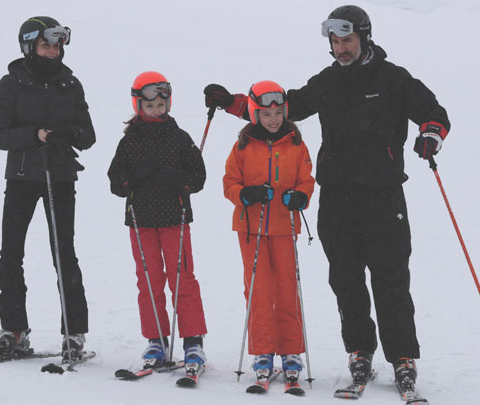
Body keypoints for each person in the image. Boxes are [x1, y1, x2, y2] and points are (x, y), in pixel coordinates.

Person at [205, 5, 450, 390]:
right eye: (335, 42)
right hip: (337, 198)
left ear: (364, 37)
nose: (341, 48)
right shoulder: (327, 81)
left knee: (391, 279)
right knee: (346, 280)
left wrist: (431, 133)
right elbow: (280, 110)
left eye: (347, 40)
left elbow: (432, 111)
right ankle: (359, 351)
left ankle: (402, 357)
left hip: (383, 197)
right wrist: (232, 102)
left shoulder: (392, 78)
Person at [0, 16, 95, 362]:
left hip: (60, 177)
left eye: (57, 45)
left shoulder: (70, 84)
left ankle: (74, 332)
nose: (52, 51)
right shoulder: (12, 83)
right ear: (29, 45)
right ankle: (14, 330)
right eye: (46, 45)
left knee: (64, 253)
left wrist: (70, 135)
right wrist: (35, 135)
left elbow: (88, 134)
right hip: (22, 177)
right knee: (11, 252)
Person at [107, 71, 208, 372]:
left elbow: (198, 177)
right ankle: (156, 340)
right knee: (149, 281)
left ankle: (193, 342)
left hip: (174, 219)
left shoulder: (180, 138)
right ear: (138, 106)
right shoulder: (129, 142)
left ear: (168, 103)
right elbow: (115, 180)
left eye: (160, 106)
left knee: (182, 279)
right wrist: (130, 180)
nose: (155, 111)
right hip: (141, 222)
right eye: (149, 107)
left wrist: (179, 180)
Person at [222, 81, 315, 383]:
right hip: (252, 229)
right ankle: (263, 349)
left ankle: (290, 350)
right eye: (266, 114)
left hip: (284, 228)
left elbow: (307, 179)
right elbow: (229, 182)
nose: (273, 119)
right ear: (254, 115)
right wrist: (245, 194)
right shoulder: (243, 146)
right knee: (259, 290)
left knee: (287, 288)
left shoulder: (297, 144)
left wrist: (300, 196)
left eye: (278, 113)